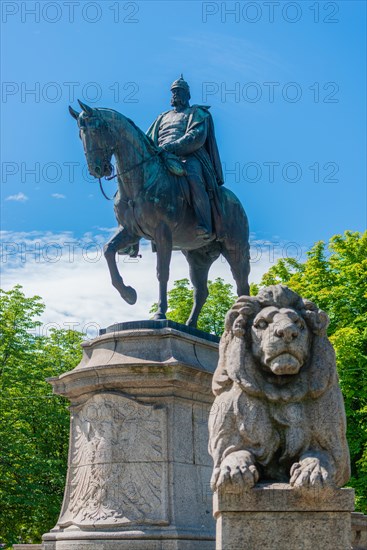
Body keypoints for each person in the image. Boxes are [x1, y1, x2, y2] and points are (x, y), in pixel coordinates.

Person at [147, 75, 224, 240]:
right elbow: (147, 140)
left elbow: (195, 136)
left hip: (188, 156)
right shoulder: (162, 117)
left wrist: (171, 147)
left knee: (193, 177)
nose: (175, 95)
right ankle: (134, 231)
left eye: (179, 92)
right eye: (173, 92)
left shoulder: (197, 113)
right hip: (161, 158)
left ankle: (205, 224)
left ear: (187, 95)